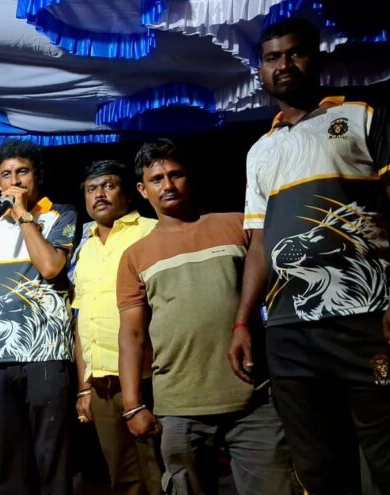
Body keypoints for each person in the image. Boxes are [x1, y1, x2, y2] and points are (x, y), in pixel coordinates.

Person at [232, 18, 390, 495]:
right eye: (272, 58)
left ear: (317, 58)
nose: (284, 64)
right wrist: (244, 322)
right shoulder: (259, 151)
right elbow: (258, 243)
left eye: (295, 53)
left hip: (369, 321)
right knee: (318, 471)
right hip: (289, 333)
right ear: (260, 71)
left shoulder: (364, 114)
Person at [116, 139, 296, 495]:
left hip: (254, 399)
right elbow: (132, 335)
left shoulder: (238, 225)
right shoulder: (135, 255)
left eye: (175, 174)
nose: (168, 185)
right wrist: (132, 404)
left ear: (190, 177)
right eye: (156, 179)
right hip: (180, 405)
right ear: (142, 189)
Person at [0, 139, 78, 495]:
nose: (14, 181)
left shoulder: (61, 214)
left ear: (38, 176)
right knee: (9, 461)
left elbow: (50, 267)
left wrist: (23, 217)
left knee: (51, 460)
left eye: (22, 172)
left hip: (45, 356)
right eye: (6, 175)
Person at [70, 160, 161, 495]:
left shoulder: (151, 230)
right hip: (102, 385)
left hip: (148, 376)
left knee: (160, 473)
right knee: (122, 479)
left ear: (129, 193)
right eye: (92, 189)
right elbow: (82, 319)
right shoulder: (86, 246)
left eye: (109, 186)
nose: (99, 195)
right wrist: (84, 388)